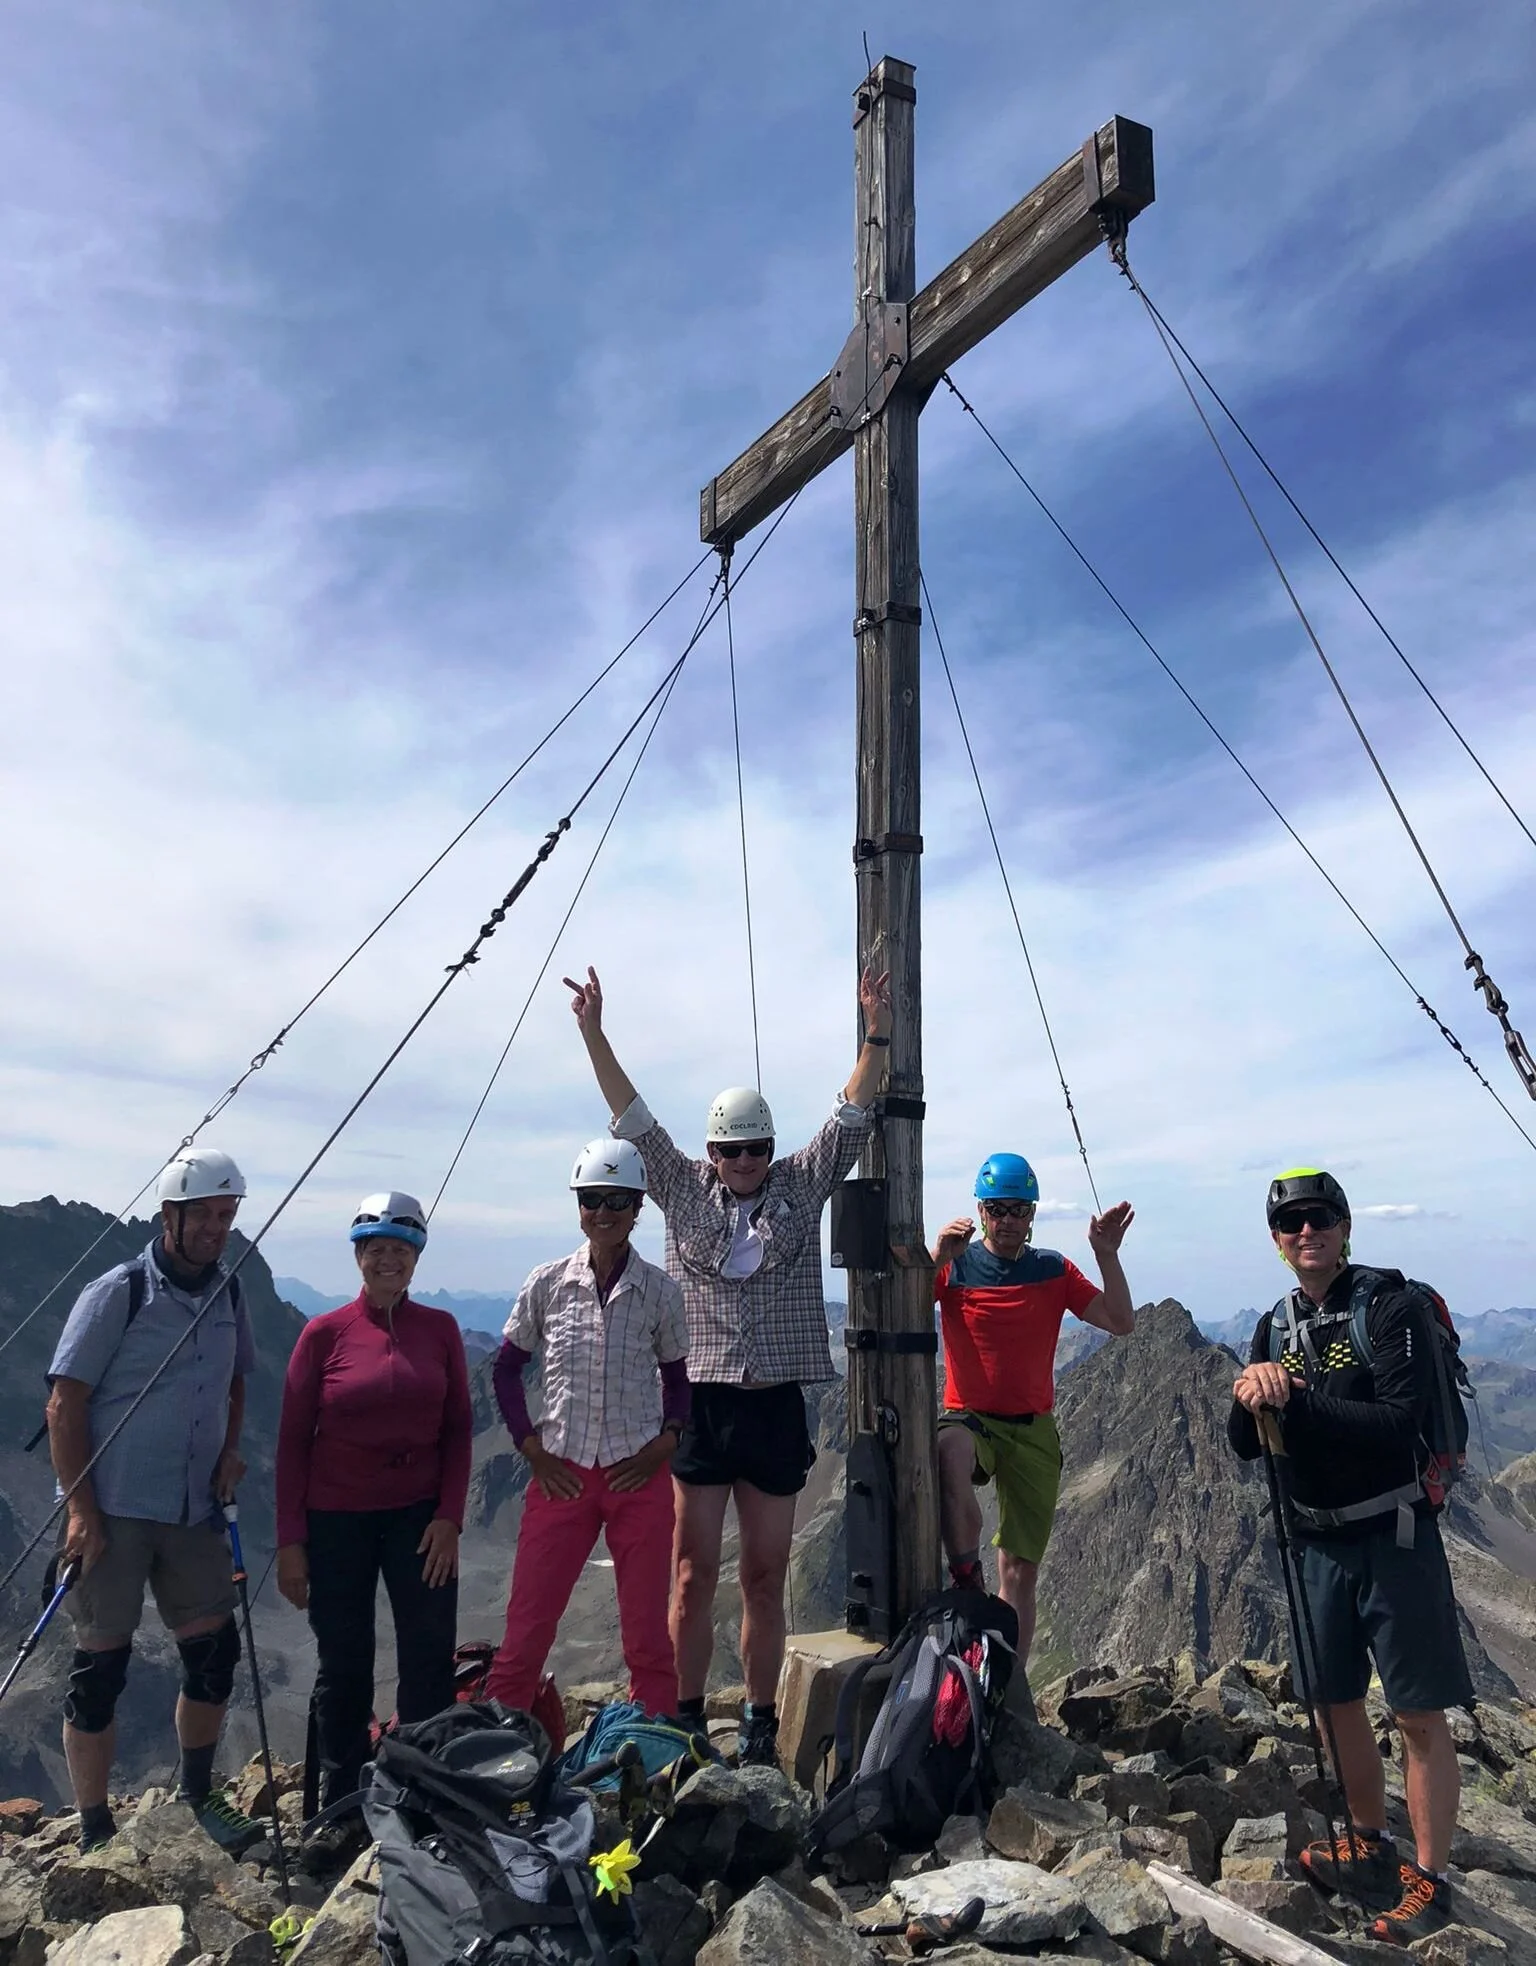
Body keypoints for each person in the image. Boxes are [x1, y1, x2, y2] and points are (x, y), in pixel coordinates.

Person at [563, 962, 891, 1764]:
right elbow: (631, 1117)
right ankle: (679, 1718)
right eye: (732, 1149)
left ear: (770, 1149)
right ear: (710, 1152)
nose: (745, 1160)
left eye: (756, 1148)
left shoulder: (800, 1187)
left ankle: (755, 1718)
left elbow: (850, 1116)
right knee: (690, 1573)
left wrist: (876, 1033)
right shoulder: (678, 1190)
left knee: (764, 1577)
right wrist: (593, 1032)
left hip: (775, 1406)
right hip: (703, 1408)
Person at [1228, 1167, 1471, 1946]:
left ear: (1345, 1227)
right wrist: (1249, 1395)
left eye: (1321, 1217)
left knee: (1415, 1714)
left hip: (1393, 1536)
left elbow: (1399, 1421)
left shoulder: (1387, 1306)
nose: (1308, 1231)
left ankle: (1427, 1883)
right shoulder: (1273, 1327)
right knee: (1333, 1701)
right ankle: (1369, 1843)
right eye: (1293, 1223)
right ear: (1277, 1241)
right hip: (1317, 1539)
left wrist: (1293, 1398)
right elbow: (1244, 1447)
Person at [45, 1145, 263, 1855]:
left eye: (226, 1215)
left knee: (213, 1655)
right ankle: (95, 1827)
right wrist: (81, 1511)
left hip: (193, 1509)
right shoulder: (119, 1292)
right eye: (203, 1214)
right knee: (99, 1670)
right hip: (113, 1511)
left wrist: (231, 1452)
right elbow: (64, 1402)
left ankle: (198, 1794)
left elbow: (235, 1382)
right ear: (170, 1215)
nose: (216, 1228)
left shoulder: (229, 1293)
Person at [275, 1191, 471, 1870]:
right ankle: (341, 1801)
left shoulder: (441, 1329)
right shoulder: (323, 1334)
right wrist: (290, 1541)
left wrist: (450, 1516)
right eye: (376, 1248)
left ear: (416, 1257)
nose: (388, 1259)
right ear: (359, 1257)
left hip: (419, 1519)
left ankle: (419, 1795)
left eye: (400, 1248)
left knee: (426, 1657)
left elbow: (457, 1431)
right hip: (336, 1521)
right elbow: (293, 1441)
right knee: (344, 1663)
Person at [486, 1139, 690, 1720]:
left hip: (638, 1476)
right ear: (578, 1205)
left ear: (638, 1206)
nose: (604, 1212)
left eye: (617, 1200)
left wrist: (666, 1443)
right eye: (592, 1199)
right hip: (561, 1475)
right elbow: (506, 1368)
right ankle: (500, 1758)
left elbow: (677, 1381)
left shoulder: (660, 1291)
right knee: (526, 1632)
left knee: (648, 1638)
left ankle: (653, 1755)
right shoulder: (546, 1283)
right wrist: (531, 1449)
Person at [931, 1153, 1135, 1666]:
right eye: (997, 1209)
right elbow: (905, 1315)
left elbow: (1120, 1321)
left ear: (1032, 1213)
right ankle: (964, 1574)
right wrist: (935, 1260)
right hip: (970, 1418)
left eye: (1018, 1210)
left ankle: (1009, 1688)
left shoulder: (1052, 1270)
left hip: (1033, 1429)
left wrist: (1105, 1254)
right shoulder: (955, 1266)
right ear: (980, 1210)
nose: (1007, 1221)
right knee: (947, 1448)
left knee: (1020, 1571)